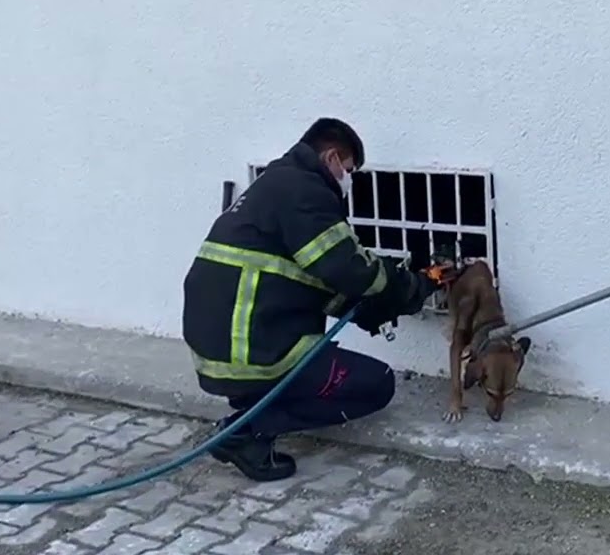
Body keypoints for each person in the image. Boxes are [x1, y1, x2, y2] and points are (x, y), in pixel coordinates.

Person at [182, 117, 449, 482]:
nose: (349, 179)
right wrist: (412, 286)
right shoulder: (306, 191)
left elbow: (309, 279)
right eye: (349, 170)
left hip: (222, 354)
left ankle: (255, 409)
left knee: (321, 367)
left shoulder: (276, 184)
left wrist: (374, 310)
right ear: (332, 158)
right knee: (377, 384)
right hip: (254, 354)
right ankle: (247, 431)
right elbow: (350, 268)